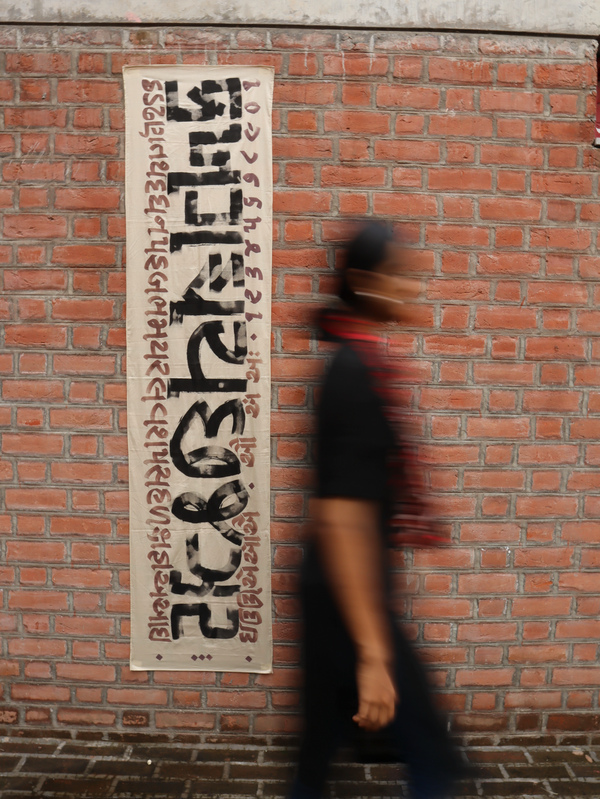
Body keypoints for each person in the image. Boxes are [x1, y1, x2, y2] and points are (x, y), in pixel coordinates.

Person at [291, 223, 463, 799]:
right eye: (400, 276)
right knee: (432, 757)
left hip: (340, 588)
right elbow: (340, 518)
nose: (412, 287)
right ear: (365, 282)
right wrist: (372, 653)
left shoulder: (361, 363)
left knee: (318, 754)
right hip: (347, 594)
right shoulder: (354, 375)